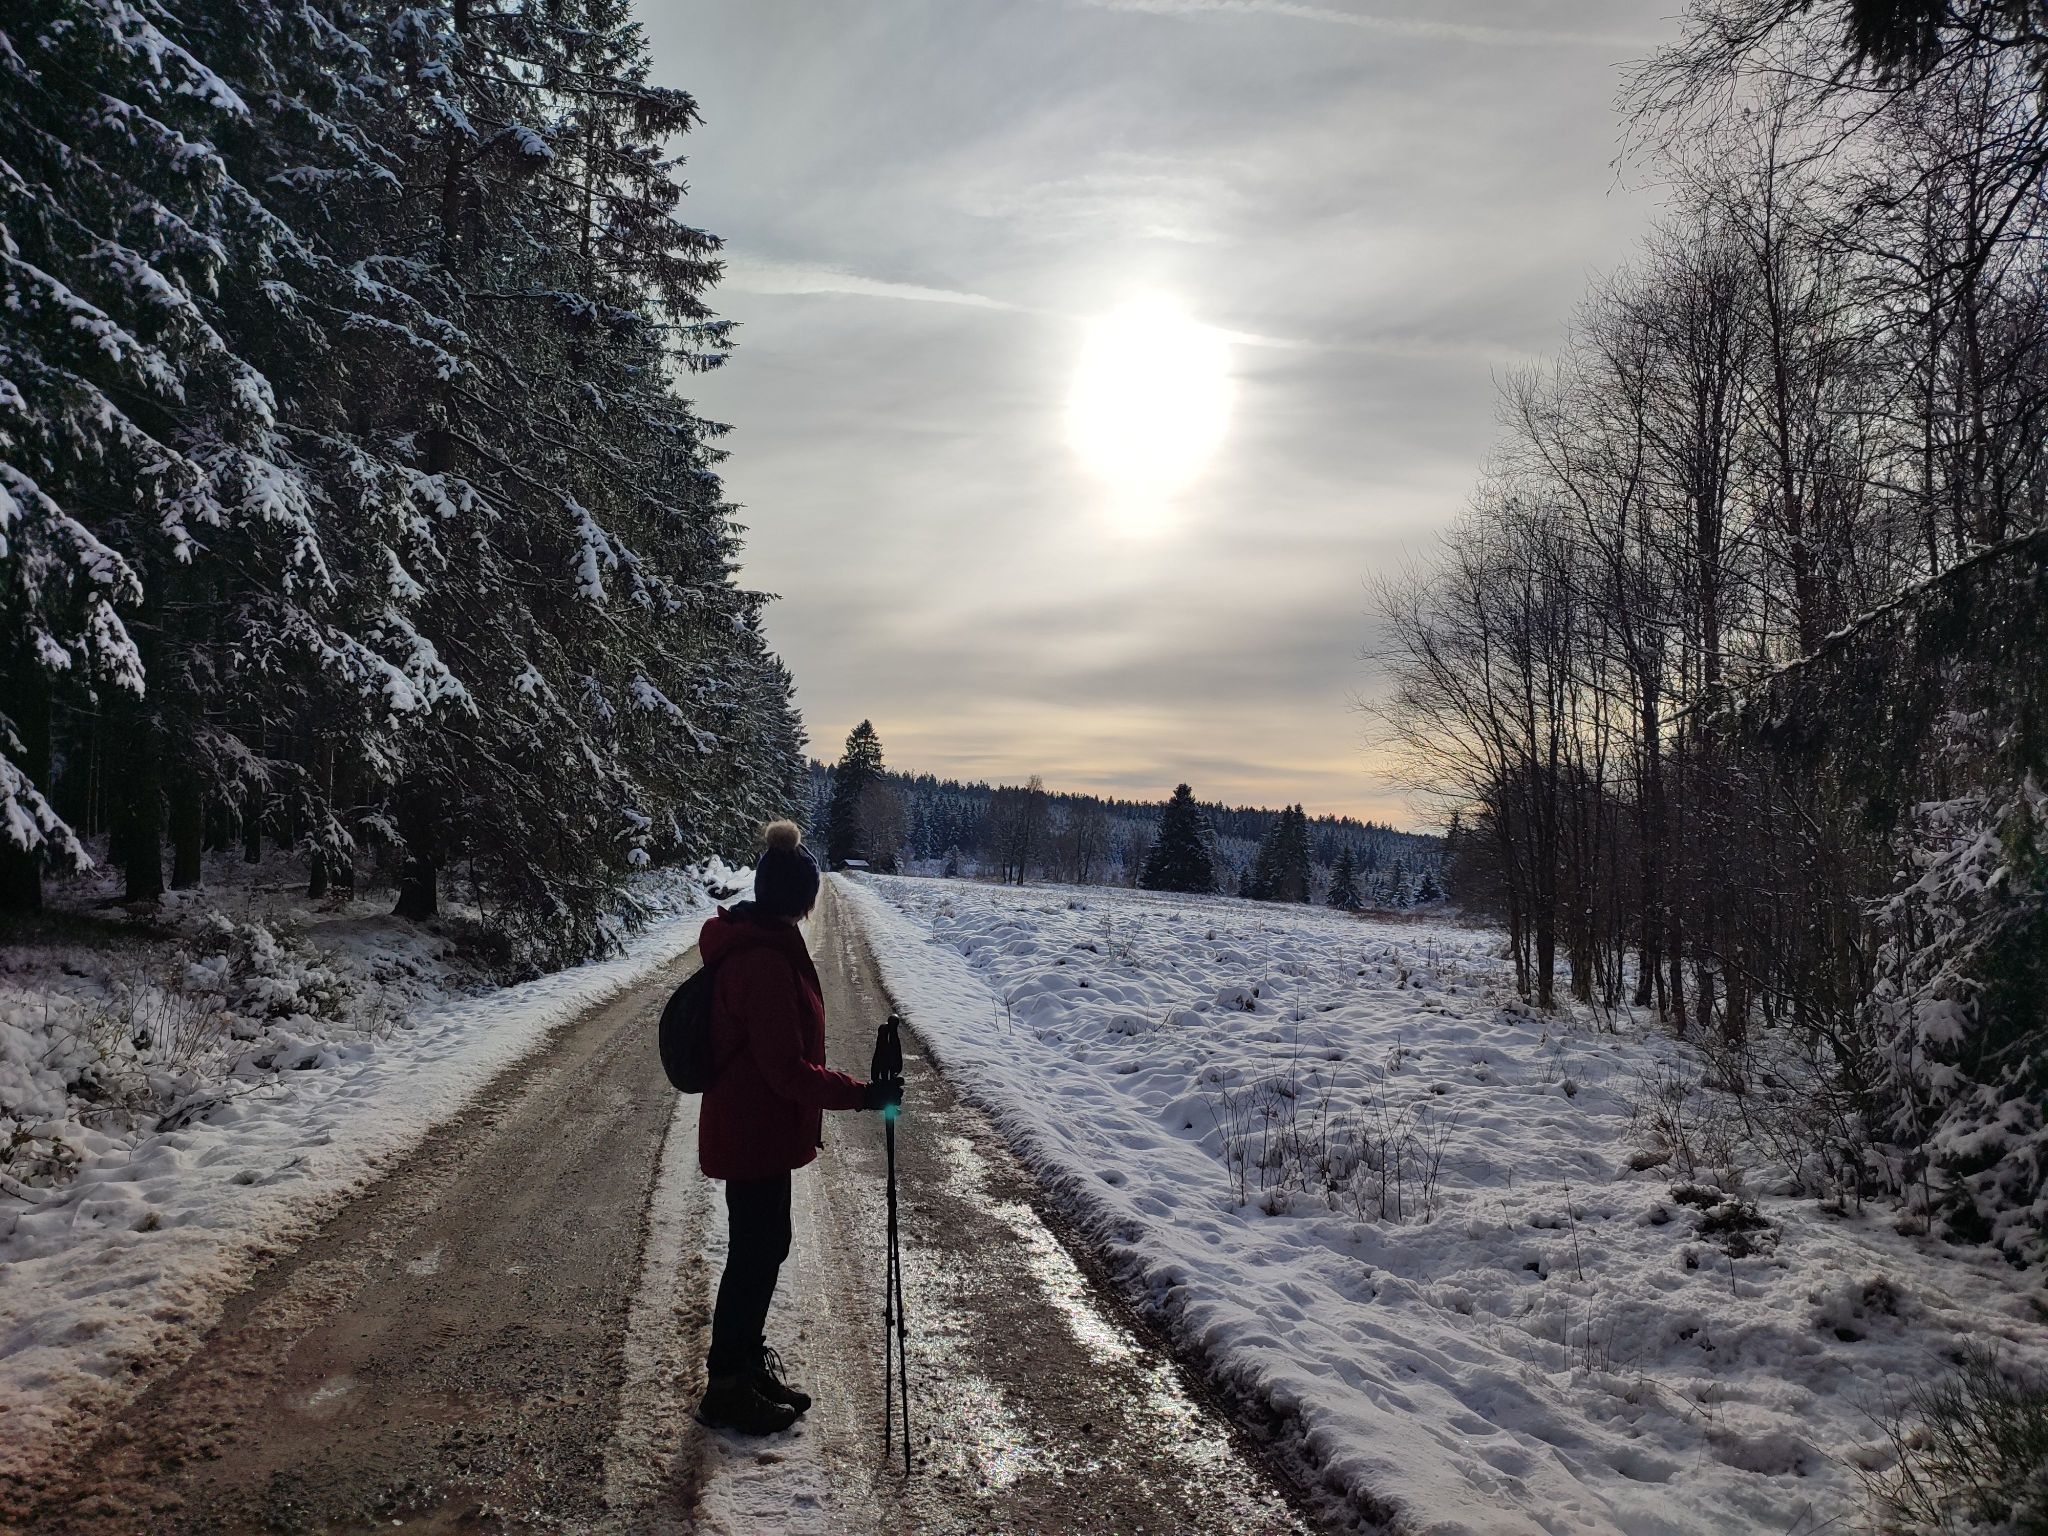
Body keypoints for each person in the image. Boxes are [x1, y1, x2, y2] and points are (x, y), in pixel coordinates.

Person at [694, 820, 903, 1435]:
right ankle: (726, 1388)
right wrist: (863, 1096)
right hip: (752, 1131)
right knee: (754, 1255)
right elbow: (787, 1071)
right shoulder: (763, 962)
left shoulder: (768, 942)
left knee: (764, 1248)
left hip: (760, 1130)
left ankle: (742, 1365)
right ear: (802, 899)